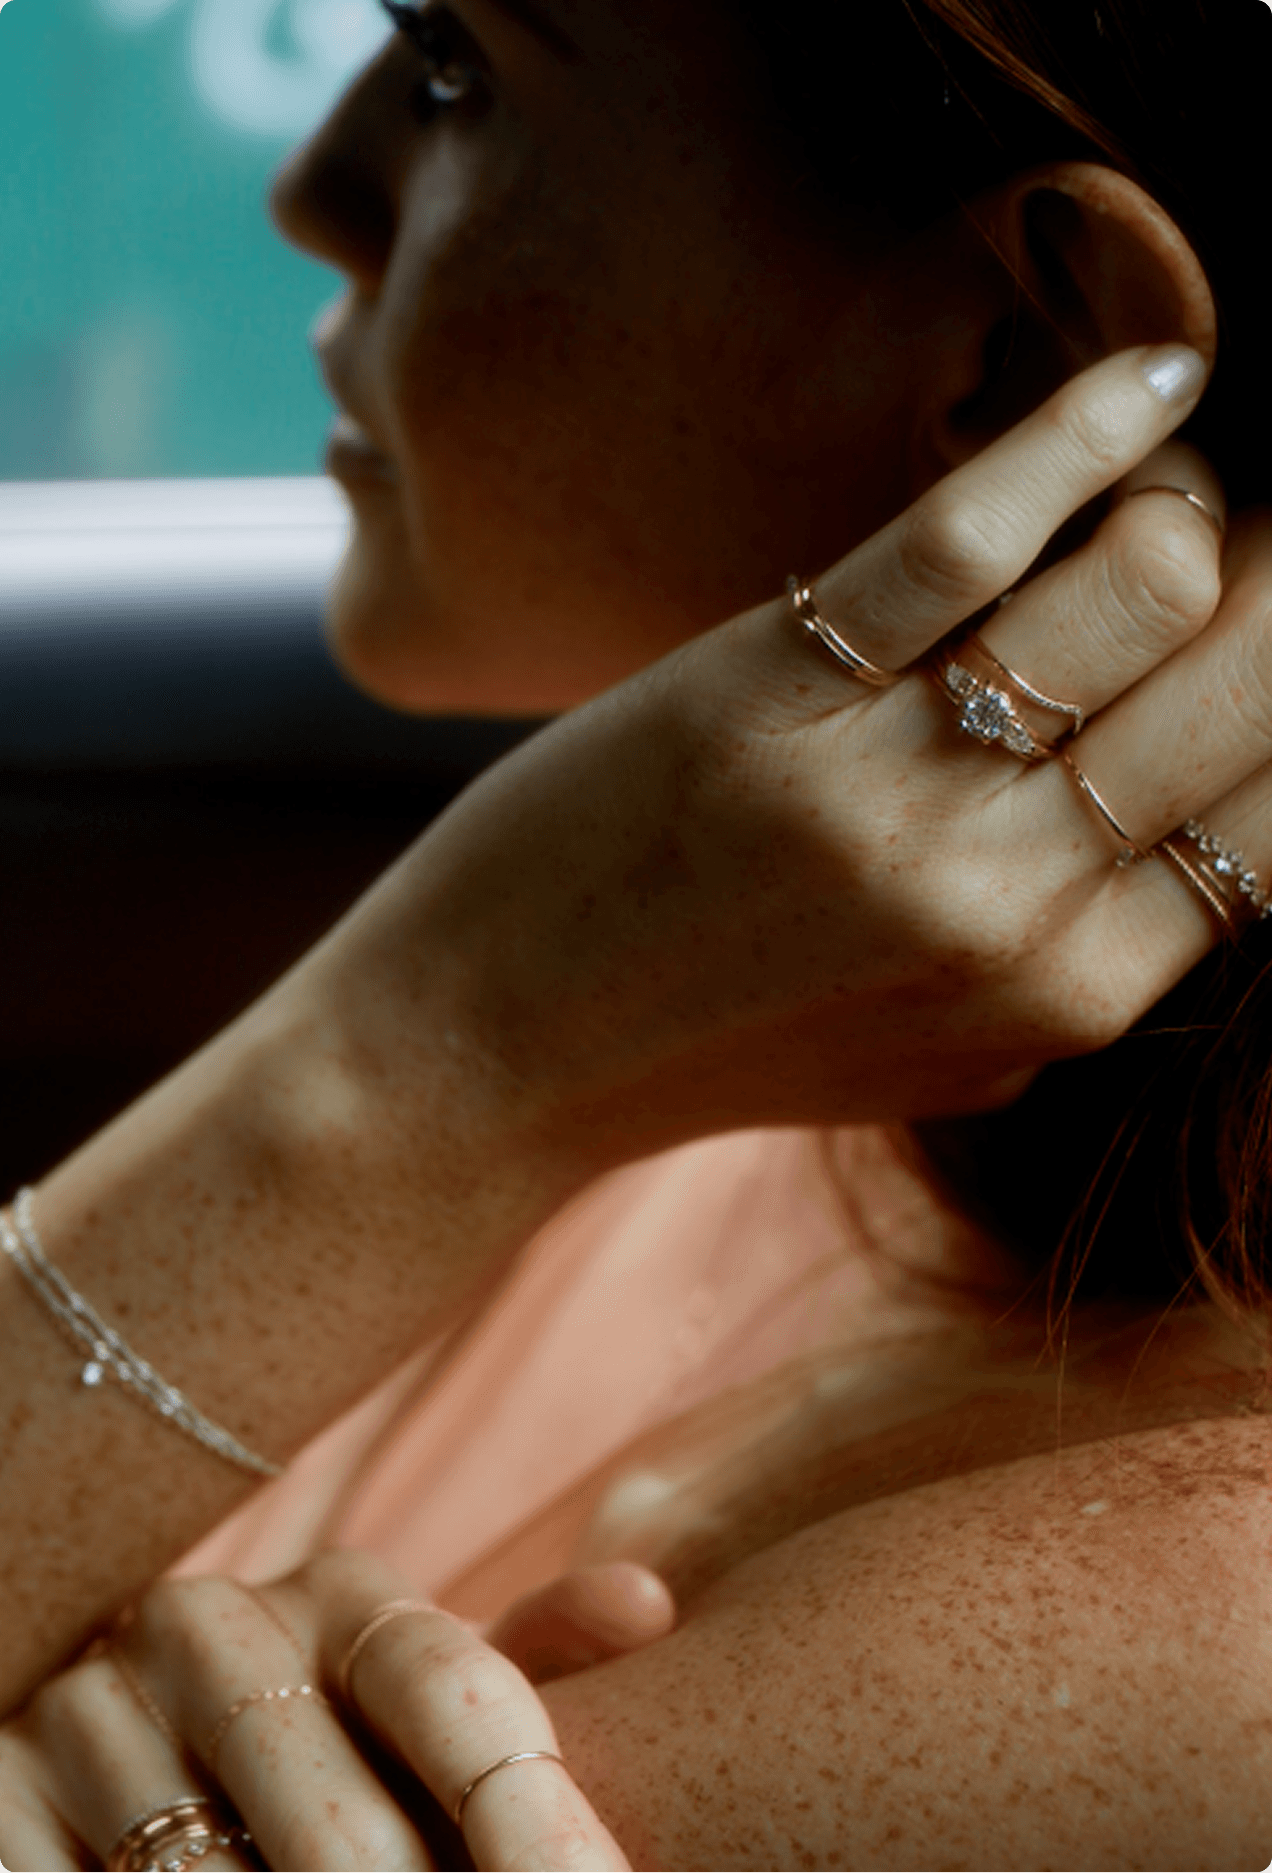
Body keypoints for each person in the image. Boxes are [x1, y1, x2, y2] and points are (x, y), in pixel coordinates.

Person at [3, 0, 1272, 1866]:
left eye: (454, 69)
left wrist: (433, 1054)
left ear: (1025, 354)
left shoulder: (1152, 1650)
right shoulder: (770, 1029)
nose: (308, 187)